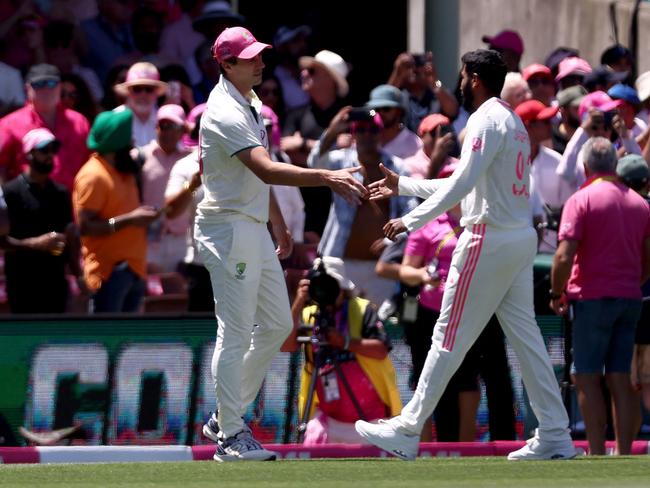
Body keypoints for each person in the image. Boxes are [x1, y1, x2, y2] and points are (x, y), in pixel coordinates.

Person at [354, 49, 576, 461]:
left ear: (473, 78)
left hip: (487, 240)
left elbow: (461, 185)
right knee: (525, 339)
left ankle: (407, 428)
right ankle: (556, 433)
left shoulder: (485, 119)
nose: (459, 81)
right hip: (515, 239)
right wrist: (404, 186)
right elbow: (464, 183)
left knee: (447, 335)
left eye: (462, 75)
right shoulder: (509, 121)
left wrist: (410, 221)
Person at [196, 26, 366, 462]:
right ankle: (231, 434)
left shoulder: (250, 103)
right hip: (227, 230)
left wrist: (276, 224)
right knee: (234, 332)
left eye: (260, 55)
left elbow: (258, 175)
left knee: (275, 326)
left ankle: (223, 417)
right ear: (226, 64)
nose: (260, 62)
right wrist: (327, 177)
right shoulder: (223, 111)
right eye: (250, 57)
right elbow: (267, 169)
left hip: (251, 227)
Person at [550, 140, 650, 455]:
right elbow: (649, 258)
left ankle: (595, 453)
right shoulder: (639, 203)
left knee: (587, 376)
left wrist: (556, 292)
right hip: (630, 298)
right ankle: (622, 452)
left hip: (592, 298)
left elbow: (564, 256)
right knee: (620, 376)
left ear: (585, 168)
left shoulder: (581, 200)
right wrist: (633, 282)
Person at [281, 257, 401, 445]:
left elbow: (380, 350)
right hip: (329, 421)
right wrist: (298, 302)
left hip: (370, 420)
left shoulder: (362, 309)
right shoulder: (308, 314)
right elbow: (286, 346)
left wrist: (344, 342)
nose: (325, 291)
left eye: (331, 285)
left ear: (342, 287)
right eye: (321, 285)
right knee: (311, 441)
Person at [307, 107, 418, 304]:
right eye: (361, 130)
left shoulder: (397, 168)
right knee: (336, 325)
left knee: (379, 327)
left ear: (381, 133)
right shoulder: (340, 161)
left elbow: (412, 215)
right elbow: (314, 163)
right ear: (353, 133)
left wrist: (390, 241)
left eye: (373, 130)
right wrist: (333, 129)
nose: (367, 135)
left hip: (380, 267)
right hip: (340, 263)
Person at [73, 109, 161, 313]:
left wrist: (141, 216)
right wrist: (130, 220)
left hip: (134, 269)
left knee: (128, 343)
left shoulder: (124, 171)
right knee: (106, 341)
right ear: (117, 141)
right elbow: (86, 226)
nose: (132, 141)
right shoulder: (93, 176)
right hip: (109, 274)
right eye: (127, 136)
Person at [1, 128, 83, 313]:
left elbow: (68, 238)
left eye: (53, 150)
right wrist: (36, 244)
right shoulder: (10, 192)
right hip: (23, 284)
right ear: (30, 154)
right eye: (44, 150)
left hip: (55, 283)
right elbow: (2, 241)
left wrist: (78, 275)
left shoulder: (60, 193)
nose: (49, 156)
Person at [0, 63, 90, 191]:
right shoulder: (8, 124)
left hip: (75, 201)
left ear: (60, 87)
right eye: (39, 84)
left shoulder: (79, 121)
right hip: (30, 204)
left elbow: (90, 160)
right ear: (27, 88)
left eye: (51, 84)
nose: (46, 90)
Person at [164, 104, 212, 311]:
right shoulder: (185, 167)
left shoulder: (244, 163)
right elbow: (171, 212)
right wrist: (191, 186)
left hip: (239, 266)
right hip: (202, 266)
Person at [515, 100, 573, 252]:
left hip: (552, 247)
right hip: (516, 248)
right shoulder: (508, 163)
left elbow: (569, 205)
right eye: (544, 121)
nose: (550, 125)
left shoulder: (557, 161)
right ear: (527, 125)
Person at [141, 104, 192, 272]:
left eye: (173, 127)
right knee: (150, 294)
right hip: (150, 239)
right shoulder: (141, 157)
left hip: (182, 239)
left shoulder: (191, 159)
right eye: (163, 126)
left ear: (183, 130)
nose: (167, 132)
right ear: (156, 128)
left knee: (179, 294)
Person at [387, 52, 459, 133]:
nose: (414, 69)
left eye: (419, 64)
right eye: (409, 65)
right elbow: (382, 103)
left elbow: (453, 110)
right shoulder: (398, 97)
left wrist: (435, 82)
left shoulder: (438, 95)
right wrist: (397, 73)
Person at [113, 62, 169, 148]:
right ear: (128, 91)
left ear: (156, 92)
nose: (143, 95)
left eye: (149, 89)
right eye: (137, 89)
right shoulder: (116, 119)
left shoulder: (166, 119)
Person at [366, 84, 423, 161]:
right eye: (376, 109)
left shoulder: (414, 144)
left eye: (386, 108)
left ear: (398, 111)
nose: (380, 113)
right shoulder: (365, 138)